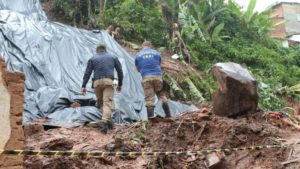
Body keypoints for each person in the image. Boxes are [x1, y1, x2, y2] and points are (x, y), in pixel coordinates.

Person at [81, 44, 123, 134]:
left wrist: (83, 86)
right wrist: (120, 84)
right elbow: (120, 71)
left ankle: (109, 122)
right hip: (109, 82)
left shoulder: (92, 58)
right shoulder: (113, 57)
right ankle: (104, 122)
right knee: (107, 103)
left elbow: (87, 73)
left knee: (101, 103)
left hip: (97, 83)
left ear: (97, 50)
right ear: (105, 49)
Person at [135, 41, 171, 119]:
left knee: (149, 99)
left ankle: (151, 120)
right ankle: (168, 116)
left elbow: (138, 69)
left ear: (142, 46)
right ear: (150, 46)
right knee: (162, 95)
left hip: (146, 78)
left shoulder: (138, 55)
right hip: (158, 77)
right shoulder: (157, 53)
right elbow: (159, 64)